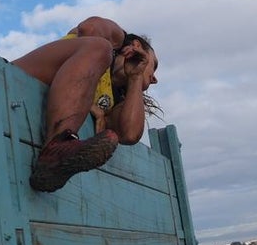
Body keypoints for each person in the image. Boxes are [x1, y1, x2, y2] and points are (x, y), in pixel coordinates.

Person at [12, 15, 159, 192]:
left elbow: (129, 134)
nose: (155, 79)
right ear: (136, 45)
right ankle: (56, 149)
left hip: (22, 121)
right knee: (99, 47)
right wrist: (87, 101)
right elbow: (89, 27)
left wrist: (135, 77)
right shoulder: (115, 41)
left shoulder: (113, 100)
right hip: (16, 80)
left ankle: (53, 161)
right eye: (155, 65)